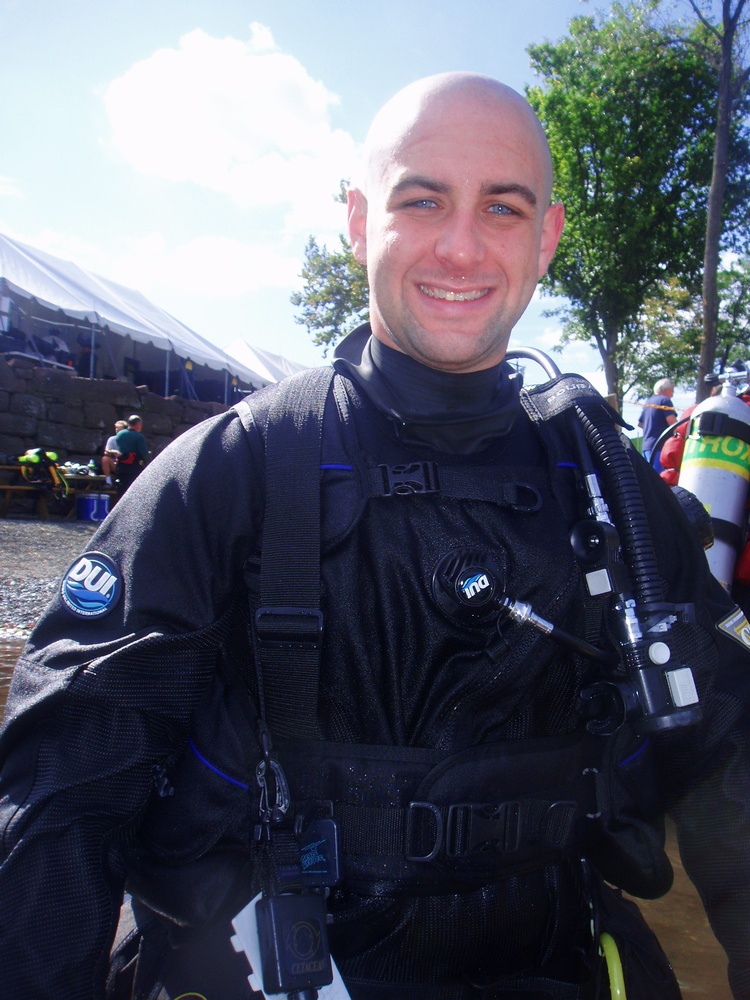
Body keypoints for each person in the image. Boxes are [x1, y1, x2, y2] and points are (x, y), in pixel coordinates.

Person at [0, 73, 749, 1000]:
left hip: (560, 963)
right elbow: (63, 797)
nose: (462, 245)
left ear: (548, 237)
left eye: (504, 208)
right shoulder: (236, 470)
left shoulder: (610, 486)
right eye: (422, 199)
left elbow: (730, 761)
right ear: (358, 221)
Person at [638, 377, 677, 472]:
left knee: (651, 480)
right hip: (660, 447)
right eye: (672, 391)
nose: (672, 395)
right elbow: (673, 424)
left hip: (647, 447)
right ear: (665, 390)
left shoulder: (648, 403)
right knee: (661, 480)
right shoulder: (665, 401)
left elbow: (639, 423)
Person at [113, 413, 149, 499]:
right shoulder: (139, 437)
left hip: (120, 466)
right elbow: (144, 453)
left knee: (122, 489)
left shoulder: (120, 434)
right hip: (134, 467)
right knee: (132, 490)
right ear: (138, 424)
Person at [101, 419, 128, 484]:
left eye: (119, 429)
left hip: (126, 464)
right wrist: (109, 452)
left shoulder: (129, 440)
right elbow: (107, 452)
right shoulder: (112, 439)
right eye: (116, 429)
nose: (117, 430)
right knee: (105, 459)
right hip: (115, 464)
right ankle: (108, 481)